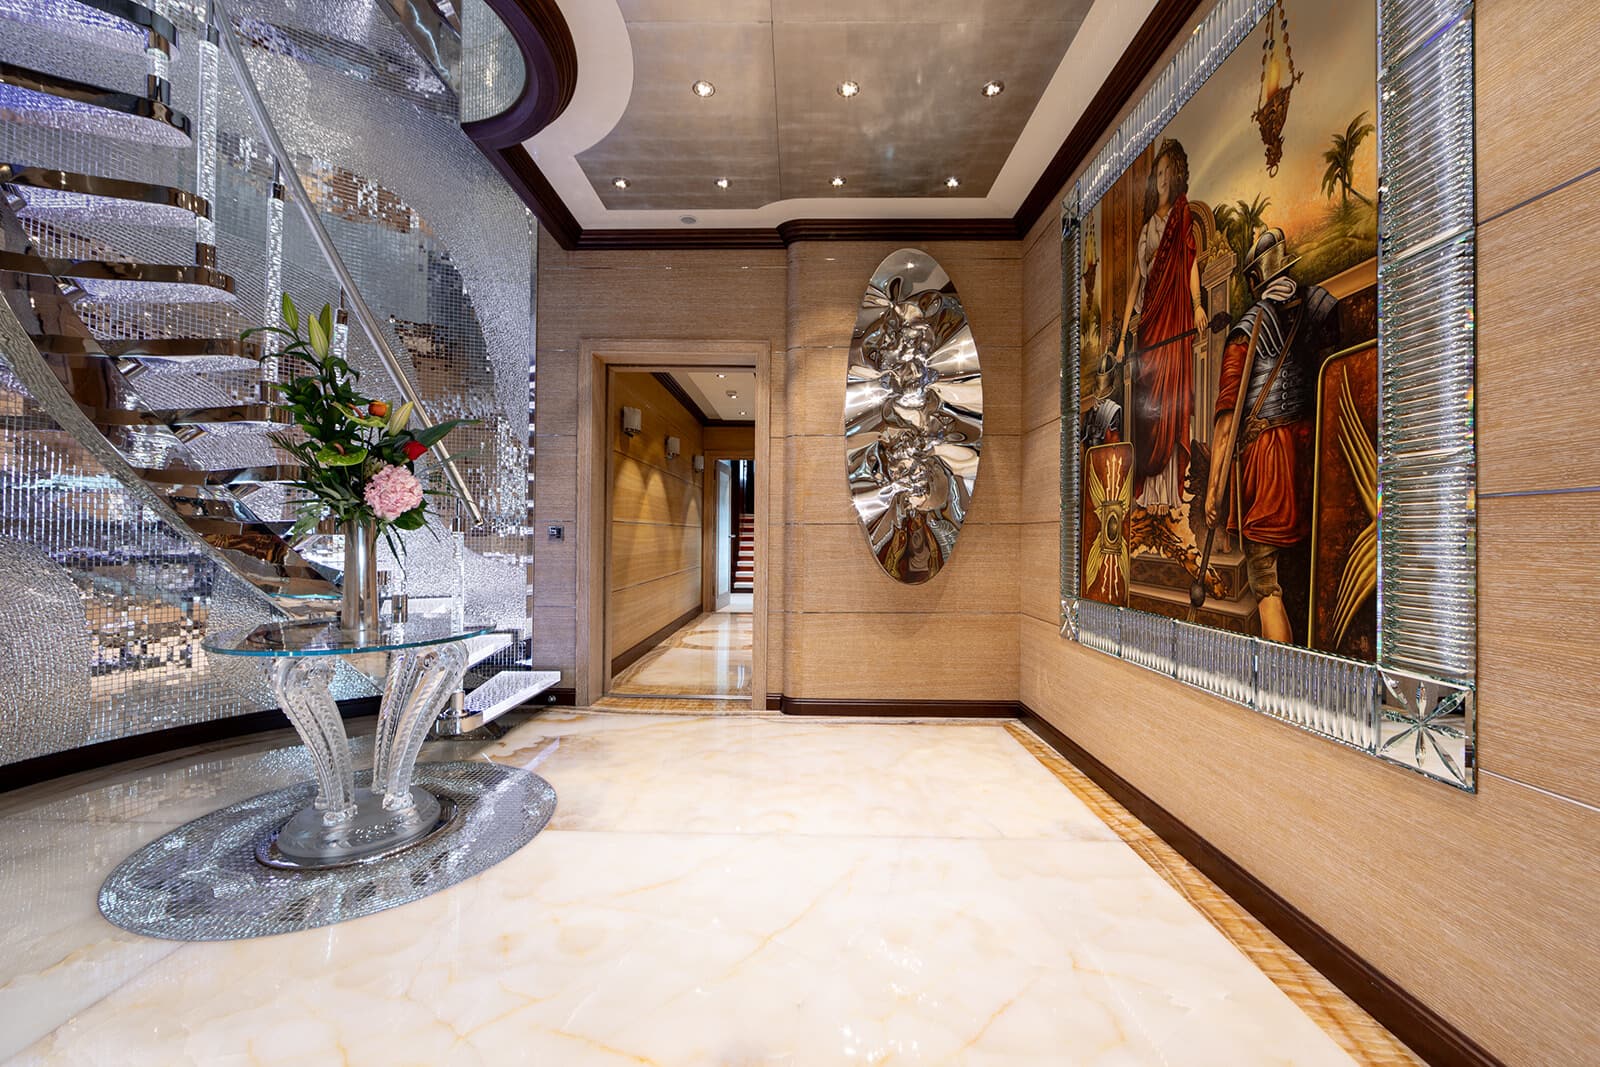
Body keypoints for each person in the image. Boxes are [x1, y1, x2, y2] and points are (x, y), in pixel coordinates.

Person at [1203, 228, 1338, 644]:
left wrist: (1214, 492)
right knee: (1302, 579)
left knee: (1266, 584)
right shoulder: (1319, 307)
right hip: (1316, 456)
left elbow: (1227, 423)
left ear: (1254, 278)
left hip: (1270, 462)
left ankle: (1280, 675)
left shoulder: (1247, 330)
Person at [1110, 138, 1209, 513]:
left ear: (1177, 174)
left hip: (1175, 318)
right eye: (1159, 172)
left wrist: (1197, 306)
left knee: (1170, 403)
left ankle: (1169, 493)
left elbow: (1190, 264)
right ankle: (1150, 493)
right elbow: (1136, 285)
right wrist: (1123, 339)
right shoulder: (1147, 229)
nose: (1163, 178)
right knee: (1149, 409)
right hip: (1151, 323)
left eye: (1168, 171)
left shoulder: (1181, 219)